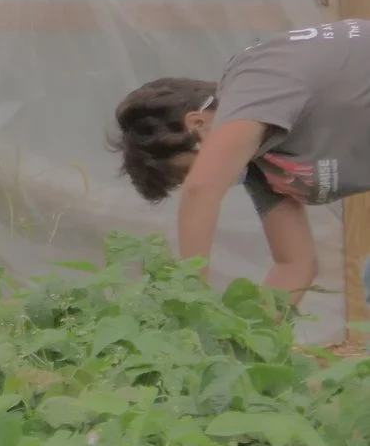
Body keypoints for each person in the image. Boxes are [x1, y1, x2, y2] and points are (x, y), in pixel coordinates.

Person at [112, 20, 370, 294]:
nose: (218, 172)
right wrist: (239, 336)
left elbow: (201, 189)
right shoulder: (262, 159)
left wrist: (192, 300)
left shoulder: (255, 81)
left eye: (193, 169)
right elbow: (295, 264)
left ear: (197, 124)